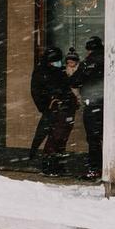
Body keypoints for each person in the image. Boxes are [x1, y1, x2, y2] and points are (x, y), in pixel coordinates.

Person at [30, 46, 78, 176]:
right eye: (55, 61)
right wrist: (48, 105)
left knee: (60, 139)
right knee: (55, 138)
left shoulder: (55, 71)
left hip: (63, 109)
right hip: (57, 110)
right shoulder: (45, 72)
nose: (58, 63)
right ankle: (51, 165)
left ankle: (56, 165)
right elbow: (37, 92)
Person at [70, 36, 104, 180]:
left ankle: (95, 169)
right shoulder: (109, 59)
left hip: (93, 104)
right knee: (107, 137)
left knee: (94, 138)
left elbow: (74, 80)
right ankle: (109, 166)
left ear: (88, 49)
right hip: (110, 104)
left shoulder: (88, 62)